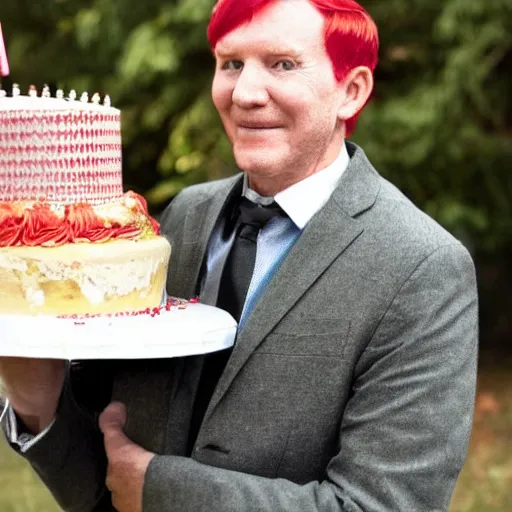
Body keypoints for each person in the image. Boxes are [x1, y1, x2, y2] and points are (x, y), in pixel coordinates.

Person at [0, 0, 479, 511]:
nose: (245, 93)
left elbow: (383, 505)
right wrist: (36, 405)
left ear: (351, 90)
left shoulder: (422, 268)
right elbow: (106, 475)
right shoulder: (181, 219)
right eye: (231, 64)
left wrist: (163, 490)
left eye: (283, 64)